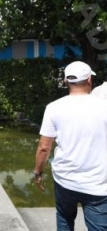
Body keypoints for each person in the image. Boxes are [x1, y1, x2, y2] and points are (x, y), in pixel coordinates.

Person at [34, 61, 107, 231]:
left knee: (65, 218)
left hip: (65, 180)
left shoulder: (53, 108)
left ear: (67, 81)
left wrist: (38, 172)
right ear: (89, 80)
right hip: (98, 183)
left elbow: (44, 147)